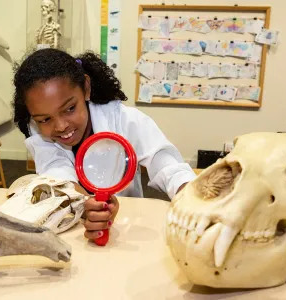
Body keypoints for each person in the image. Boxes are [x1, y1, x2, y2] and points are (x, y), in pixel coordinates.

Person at [12, 48, 196, 241]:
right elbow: (59, 176)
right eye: (44, 119)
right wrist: (88, 206)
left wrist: (194, 198)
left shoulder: (123, 119)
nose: (60, 126)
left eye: (70, 108)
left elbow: (167, 165)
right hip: (72, 229)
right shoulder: (39, 133)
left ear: (86, 88)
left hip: (130, 226)